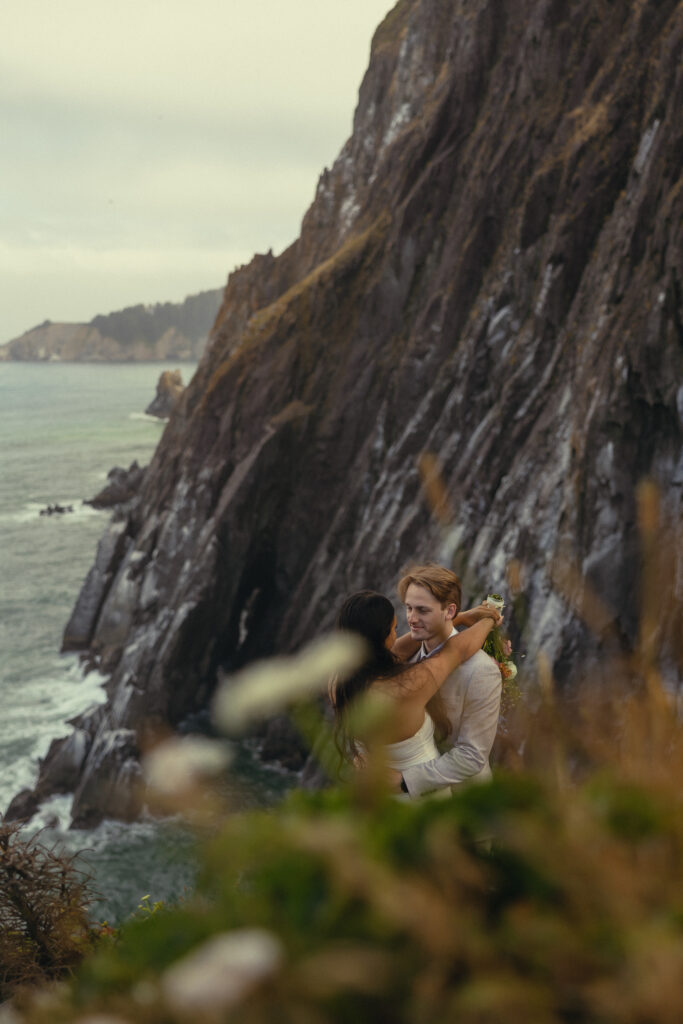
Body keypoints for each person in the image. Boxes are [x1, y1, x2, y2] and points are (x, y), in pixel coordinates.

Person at [331, 590, 500, 784]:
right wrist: (488, 620)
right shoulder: (407, 687)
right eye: (394, 629)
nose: (397, 635)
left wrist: (459, 617)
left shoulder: (339, 683)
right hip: (419, 796)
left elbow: (392, 652)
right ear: (382, 638)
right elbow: (457, 650)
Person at [395, 564, 503, 798]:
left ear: (449, 611)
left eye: (422, 610)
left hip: (463, 811)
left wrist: (404, 781)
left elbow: (472, 755)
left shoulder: (481, 670)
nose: (412, 619)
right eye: (409, 608)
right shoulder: (403, 657)